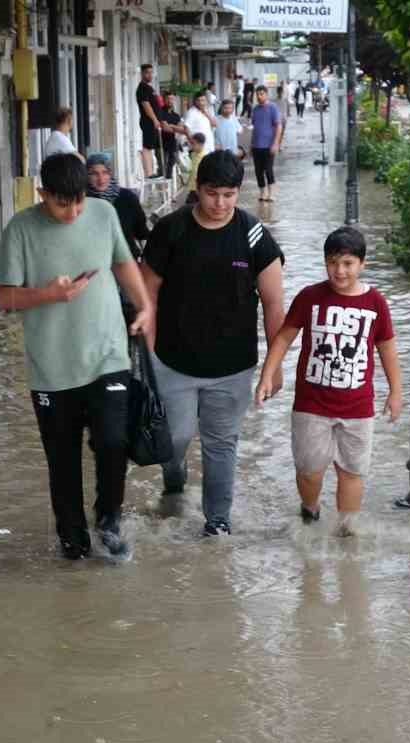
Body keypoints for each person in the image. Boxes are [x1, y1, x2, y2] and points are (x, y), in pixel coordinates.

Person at [0, 153, 155, 560]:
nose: (73, 211)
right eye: (62, 203)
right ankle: (73, 543)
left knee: (114, 441)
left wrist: (145, 306)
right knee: (62, 462)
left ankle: (109, 521)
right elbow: (2, 296)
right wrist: (49, 294)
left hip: (107, 354)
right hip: (52, 368)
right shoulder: (20, 230)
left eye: (78, 201)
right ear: (42, 193)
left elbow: (122, 261)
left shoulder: (102, 213)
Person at [140, 150, 285, 536]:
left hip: (233, 367)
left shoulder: (253, 236)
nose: (220, 204)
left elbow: (273, 305)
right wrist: (149, 357)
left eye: (229, 195)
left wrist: (275, 364)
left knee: (222, 445)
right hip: (172, 361)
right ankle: (174, 478)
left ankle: (217, 521)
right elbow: (147, 296)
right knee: (174, 437)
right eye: (211, 193)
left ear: (239, 192)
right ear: (198, 189)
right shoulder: (171, 230)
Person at [254, 226, 401, 536]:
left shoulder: (375, 303)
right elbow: (283, 338)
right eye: (333, 262)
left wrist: (395, 391)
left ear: (362, 264)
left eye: (348, 263)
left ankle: (346, 534)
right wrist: (267, 376)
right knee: (309, 472)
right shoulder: (310, 297)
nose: (340, 270)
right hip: (311, 404)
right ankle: (310, 511)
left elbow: (386, 348)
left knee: (352, 472)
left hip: (358, 407)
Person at [85, 151, 149, 260]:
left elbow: (141, 232)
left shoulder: (127, 198)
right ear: (86, 175)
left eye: (105, 172)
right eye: (94, 174)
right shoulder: (82, 201)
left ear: (110, 173)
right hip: (95, 264)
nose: (101, 179)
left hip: (127, 261)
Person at [249, 85, 284, 203]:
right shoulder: (255, 109)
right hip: (256, 145)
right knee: (258, 171)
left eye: (261, 94)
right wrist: (251, 144)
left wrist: (276, 143)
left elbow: (278, 126)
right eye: (257, 94)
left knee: (268, 169)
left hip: (269, 145)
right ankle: (262, 192)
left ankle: (272, 193)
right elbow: (254, 128)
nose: (259, 96)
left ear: (266, 94)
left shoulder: (273, 108)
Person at [137, 63, 164, 179]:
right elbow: (146, 105)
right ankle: (149, 173)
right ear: (142, 73)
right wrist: (154, 120)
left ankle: (155, 170)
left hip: (154, 122)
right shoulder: (142, 88)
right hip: (148, 122)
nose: (150, 75)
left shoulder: (149, 88)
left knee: (154, 146)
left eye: (151, 72)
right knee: (147, 147)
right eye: (147, 72)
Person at [156, 90, 187, 180]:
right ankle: (161, 189)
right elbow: (165, 128)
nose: (170, 101)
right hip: (160, 143)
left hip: (172, 143)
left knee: (171, 165)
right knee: (162, 168)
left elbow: (182, 130)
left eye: (172, 99)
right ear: (164, 100)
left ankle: (167, 188)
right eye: (168, 99)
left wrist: (171, 126)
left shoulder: (176, 115)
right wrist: (175, 128)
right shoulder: (160, 112)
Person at [182, 90, 217, 155]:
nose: (201, 103)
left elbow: (214, 124)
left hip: (209, 147)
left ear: (206, 101)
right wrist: (193, 143)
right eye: (198, 100)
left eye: (203, 100)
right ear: (195, 101)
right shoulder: (192, 112)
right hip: (199, 150)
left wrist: (206, 113)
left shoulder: (207, 111)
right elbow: (186, 128)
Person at [183, 132, 207, 201]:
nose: (191, 146)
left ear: (201, 144)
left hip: (199, 188)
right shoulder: (193, 155)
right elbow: (192, 170)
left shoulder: (204, 157)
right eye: (191, 143)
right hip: (192, 187)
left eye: (193, 144)